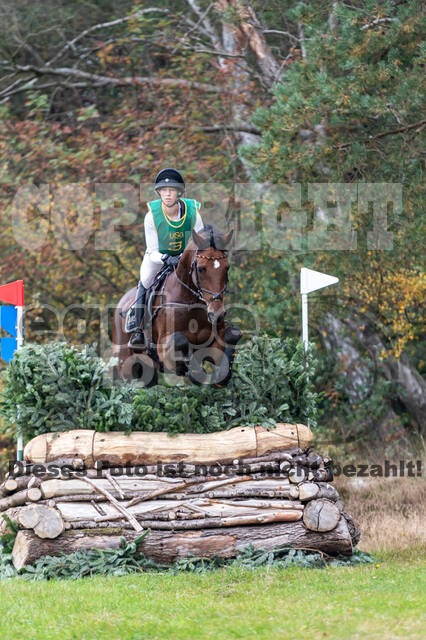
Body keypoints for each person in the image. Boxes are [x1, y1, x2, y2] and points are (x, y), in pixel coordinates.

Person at [127, 168, 204, 348]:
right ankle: (137, 330)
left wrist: (191, 257)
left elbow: (201, 240)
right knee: (145, 281)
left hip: (186, 258)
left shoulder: (193, 213)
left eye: (171, 190)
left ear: (179, 193)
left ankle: (215, 316)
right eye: (164, 190)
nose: (167, 194)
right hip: (158, 258)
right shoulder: (151, 216)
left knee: (207, 276)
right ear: (159, 192)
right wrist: (166, 259)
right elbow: (151, 249)